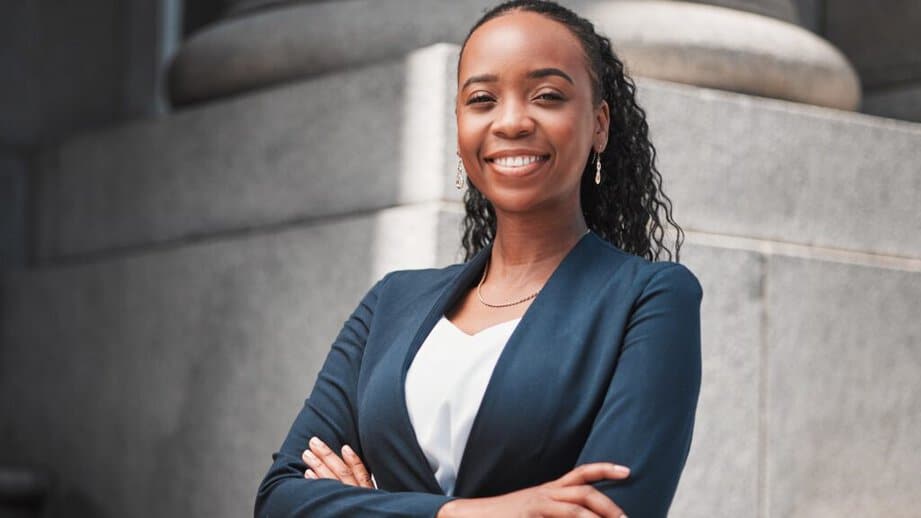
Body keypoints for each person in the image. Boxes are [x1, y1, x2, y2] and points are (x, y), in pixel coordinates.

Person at [254, 1, 702, 516]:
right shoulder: (391, 302)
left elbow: (610, 511)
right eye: (482, 99)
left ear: (599, 124)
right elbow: (280, 499)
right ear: (460, 125)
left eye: (548, 96)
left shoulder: (649, 298)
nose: (511, 121)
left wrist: (370, 506)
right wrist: (474, 512)